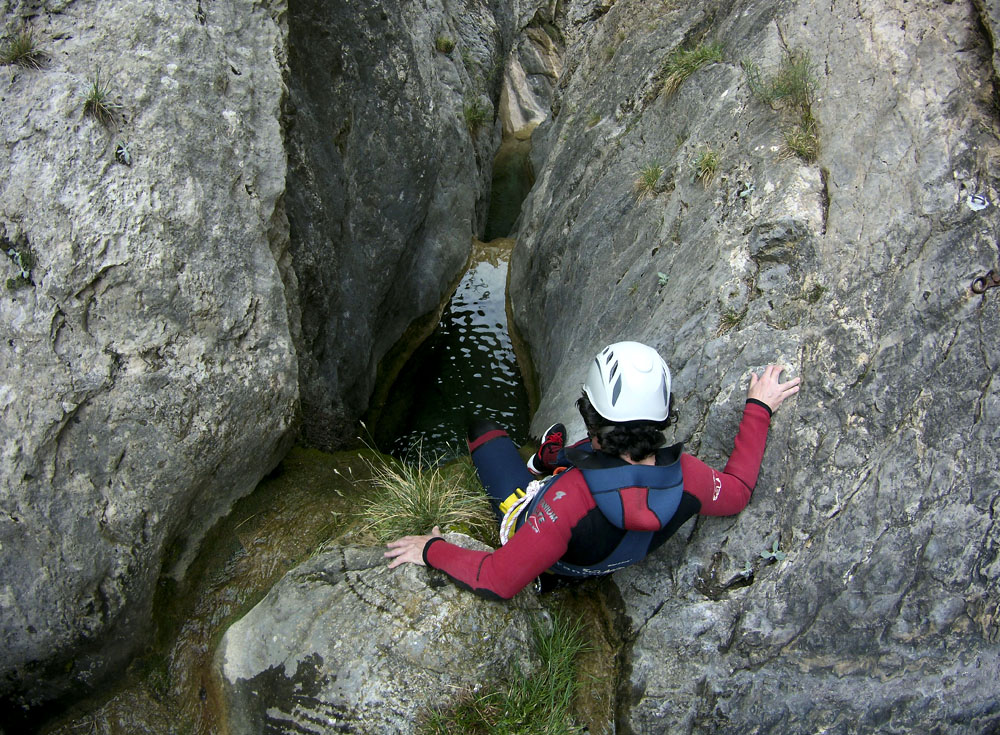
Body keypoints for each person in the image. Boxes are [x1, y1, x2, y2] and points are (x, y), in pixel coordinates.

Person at [385, 341, 800, 599]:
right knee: (583, 460)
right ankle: (549, 459)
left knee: (484, 432)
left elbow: (496, 579)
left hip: (549, 542)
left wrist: (429, 550)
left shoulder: (569, 501)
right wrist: (759, 408)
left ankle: (541, 466)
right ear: (662, 418)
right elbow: (740, 489)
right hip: (598, 553)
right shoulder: (688, 476)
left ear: (591, 416)